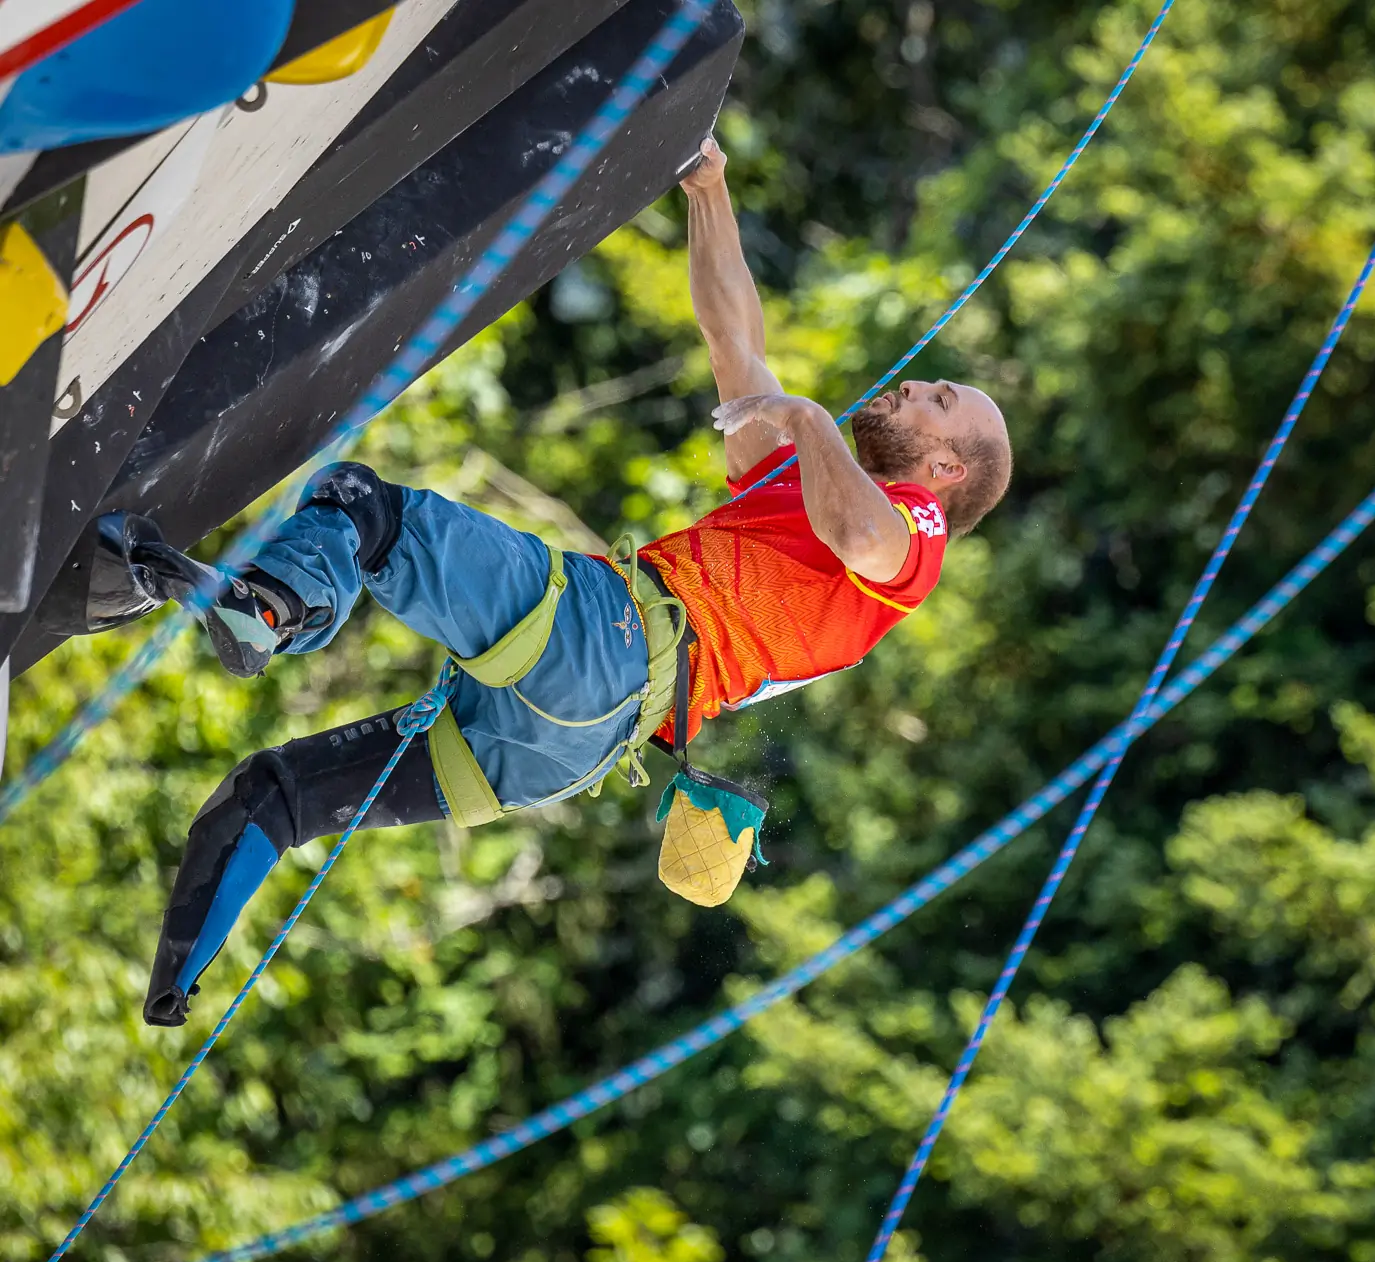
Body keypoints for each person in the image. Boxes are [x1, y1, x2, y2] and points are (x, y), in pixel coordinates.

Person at [53, 137, 1011, 1027]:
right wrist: (709, 187)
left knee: (365, 512)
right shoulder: (801, 488)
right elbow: (737, 344)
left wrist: (808, 416)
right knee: (271, 795)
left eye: (937, 402)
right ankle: (173, 994)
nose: (913, 388)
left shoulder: (911, 529)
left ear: (946, 471)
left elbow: (863, 532)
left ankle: (268, 609)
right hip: (571, 746)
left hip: (610, 643)